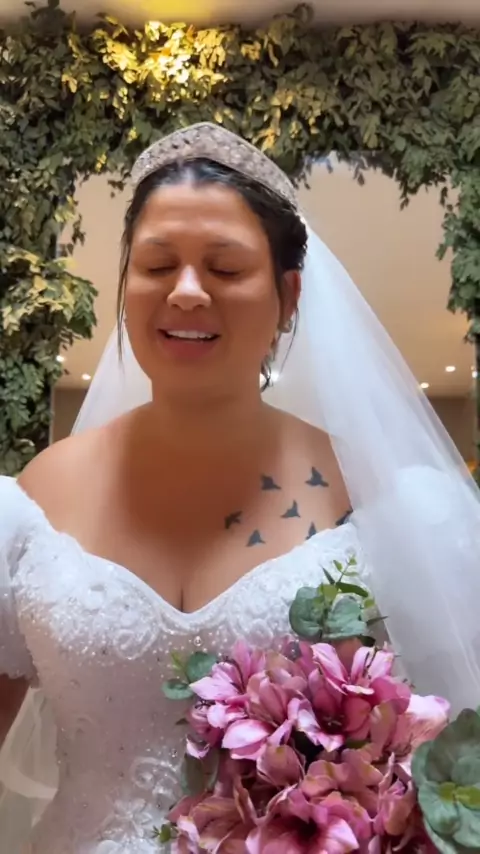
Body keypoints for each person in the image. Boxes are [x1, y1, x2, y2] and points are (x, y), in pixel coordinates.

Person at [0, 122, 480, 853]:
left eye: (225, 269)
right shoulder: (33, 502)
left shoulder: (382, 500)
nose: (187, 291)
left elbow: (448, 759)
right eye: (157, 265)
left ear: (289, 295)